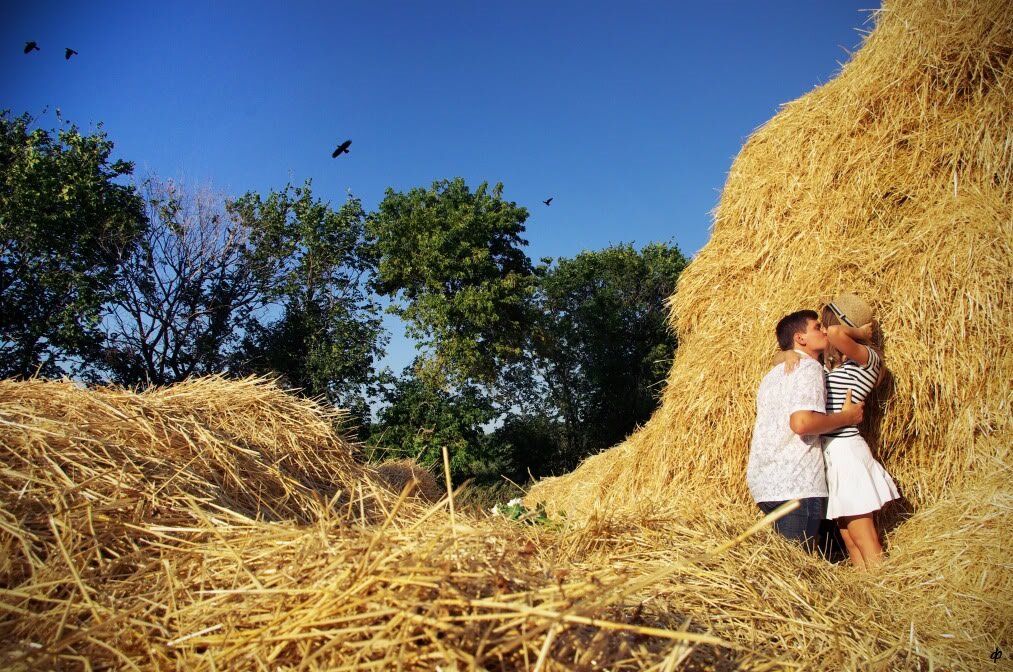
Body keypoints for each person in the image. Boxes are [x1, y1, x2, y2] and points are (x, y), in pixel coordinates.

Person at [746, 310, 864, 552]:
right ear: (800, 338)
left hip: (765, 484)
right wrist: (847, 417)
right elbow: (801, 423)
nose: (824, 331)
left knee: (786, 569)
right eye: (817, 327)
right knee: (796, 578)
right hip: (797, 485)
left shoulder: (772, 375)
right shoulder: (809, 369)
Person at [818, 294, 900, 569]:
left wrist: (857, 333)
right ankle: (868, 594)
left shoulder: (869, 360)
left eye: (825, 321)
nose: (822, 328)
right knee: (850, 538)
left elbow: (834, 332)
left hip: (847, 453)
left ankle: (886, 596)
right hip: (832, 453)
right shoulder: (837, 366)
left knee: (865, 538)